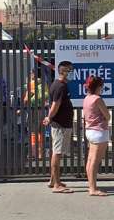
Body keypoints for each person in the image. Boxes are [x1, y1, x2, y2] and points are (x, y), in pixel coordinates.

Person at [43, 61, 74, 194]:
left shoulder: (60, 85)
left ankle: (53, 180)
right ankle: (56, 184)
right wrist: (49, 117)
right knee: (57, 153)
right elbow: (55, 104)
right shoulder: (60, 86)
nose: (72, 73)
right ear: (64, 71)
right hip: (60, 124)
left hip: (63, 124)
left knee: (58, 152)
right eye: (70, 70)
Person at [83, 76, 111, 197]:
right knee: (95, 160)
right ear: (98, 87)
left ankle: (91, 185)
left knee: (90, 159)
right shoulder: (97, 99)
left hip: (89, 130)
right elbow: (107, 115)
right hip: (99, 132)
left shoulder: (87, 98)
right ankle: (92, 188)